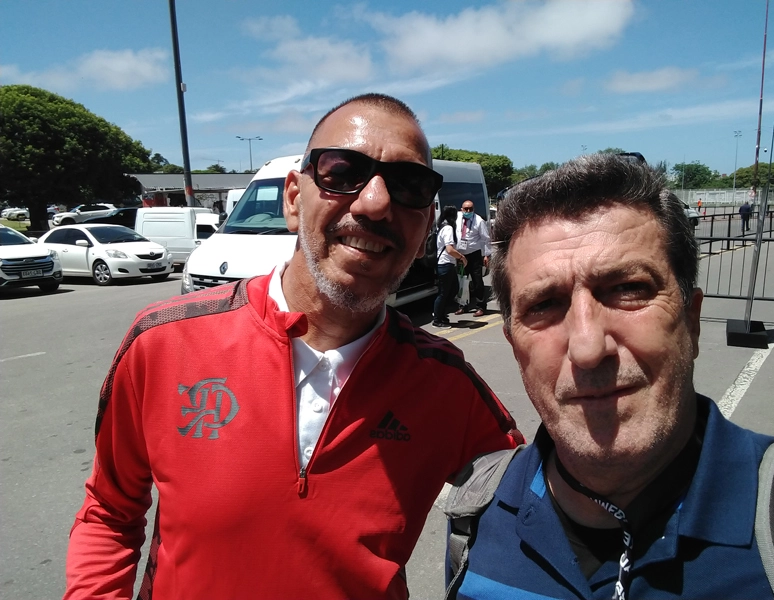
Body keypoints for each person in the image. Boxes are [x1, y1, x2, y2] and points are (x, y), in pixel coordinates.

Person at [63, 93, 522, 600]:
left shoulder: (446, 385)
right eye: (342, 171)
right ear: (292, 198)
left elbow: (543, 509)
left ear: (424, 225)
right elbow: (108, 511)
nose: (375, 202)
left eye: (409, 185)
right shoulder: (163, 342)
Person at [446, 153, 774, 599]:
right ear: (515, 347)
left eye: (628, 289)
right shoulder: (474, 516)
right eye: (544, 305)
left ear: (691, 321)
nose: (589, 349)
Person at [454, 200, 492, 316]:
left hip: (474, 254)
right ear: (462, 209)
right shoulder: (457, 218)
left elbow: (486, 239)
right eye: (466, 209)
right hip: (461, 255)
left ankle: (480, 306)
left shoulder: (478, 221)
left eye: (470, 209)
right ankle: (463, 305)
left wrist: (486, 255)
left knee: (477, 282)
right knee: (462, 281)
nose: (468, 211)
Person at [433, 205, 467, 328]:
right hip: (445, 264)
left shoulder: (442, 226)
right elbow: (449, 249)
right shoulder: (447, 228)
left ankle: (441, 314)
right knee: (444, 292)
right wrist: (461, 257)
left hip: (447, 264)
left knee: (452, 289)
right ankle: (437, 319)